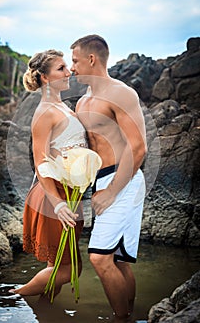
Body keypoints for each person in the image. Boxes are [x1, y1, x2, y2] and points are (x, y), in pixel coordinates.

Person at [70, 35, 147, 322]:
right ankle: (130, 316)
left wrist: (112, 191)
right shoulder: (82, 102)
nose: (73, 68)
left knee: (100, 259)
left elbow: (138, 146)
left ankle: (120, 319)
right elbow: (86, 150)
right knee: (118, 262)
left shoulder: (121, 93)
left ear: (92, 59)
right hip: (100, 182)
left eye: (76, 61)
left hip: (122, 180)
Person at [10, 49, 87, 297]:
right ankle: (14, 295)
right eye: (61, 69)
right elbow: (41, 162)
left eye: (67, 67)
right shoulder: (44, 112)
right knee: (69, 269)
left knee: (58, 265)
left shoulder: (63, 106)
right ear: (45, 77)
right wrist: (57, 205)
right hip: (53, 196)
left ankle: (43, 309)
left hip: (71, 193)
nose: (69, 72)